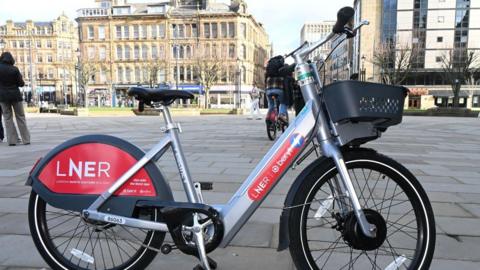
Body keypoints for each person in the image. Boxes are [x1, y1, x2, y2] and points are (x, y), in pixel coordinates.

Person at [0, 52, 31, 146]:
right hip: (15, 96)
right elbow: (21, 83)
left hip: (2, 96)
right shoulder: (15, 69)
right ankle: (26, 140)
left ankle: (12, 141)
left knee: (7, 118)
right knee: (20, 117)